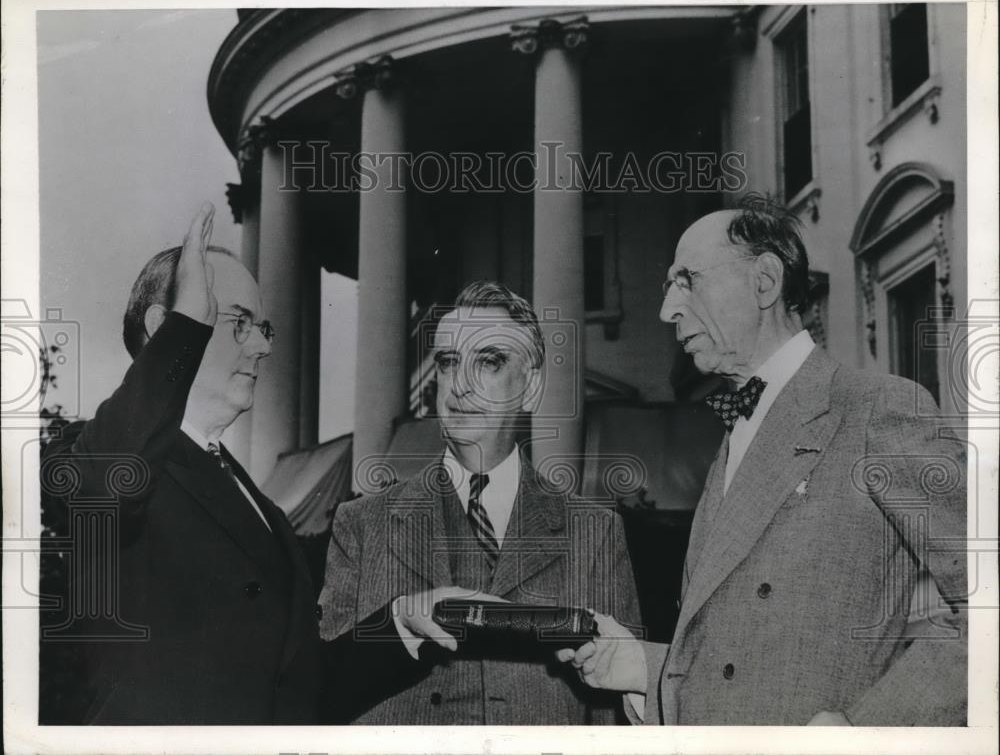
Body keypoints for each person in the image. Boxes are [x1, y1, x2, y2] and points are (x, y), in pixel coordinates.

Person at [41, 203, 472, 724]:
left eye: (264, 328)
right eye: (237, 323)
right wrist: (187, 326)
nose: (264, 346)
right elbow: (104, 479)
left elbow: (298, 687)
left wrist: (403, 623)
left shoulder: (253, 499)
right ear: (166, 329)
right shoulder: (96, 456)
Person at [556, 194, 967, 726]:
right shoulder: (732, 442)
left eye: (687, 279)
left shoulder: (876, 409)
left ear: (765, 281)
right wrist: (643, 666)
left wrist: (875, 729)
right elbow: (743, 665)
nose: (667, 310)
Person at [319, 280, 642, 724]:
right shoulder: (362, 524)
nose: (462, 385)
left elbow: (616, 717)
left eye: (489, 361)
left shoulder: (596, 532)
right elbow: (319, 693)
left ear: (530, 387)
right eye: (449, 363)